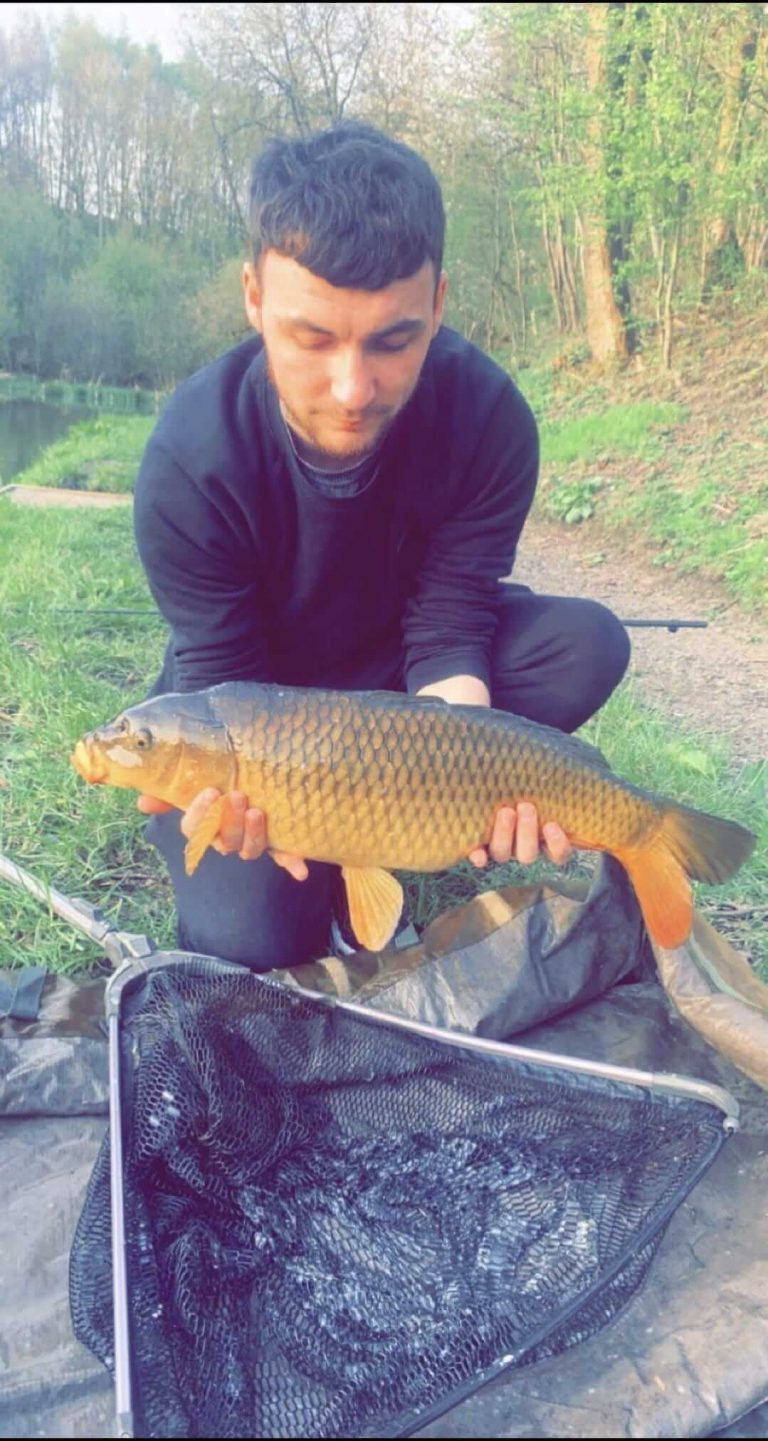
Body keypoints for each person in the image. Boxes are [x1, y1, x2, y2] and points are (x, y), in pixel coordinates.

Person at [133, 121, 630, 970]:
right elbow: (225, 690)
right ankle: (339, 865)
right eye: (311, 338)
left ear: (438, 301)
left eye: (394, 340)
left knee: (586, 647)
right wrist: (265, 807)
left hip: (402, 683)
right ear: (254, 298)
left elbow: (450, 624)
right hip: (257, 706)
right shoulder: (188, 460)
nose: (352, 389)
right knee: (247, 943)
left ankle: (418, 818)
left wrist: (476, 766)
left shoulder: (491, 419)